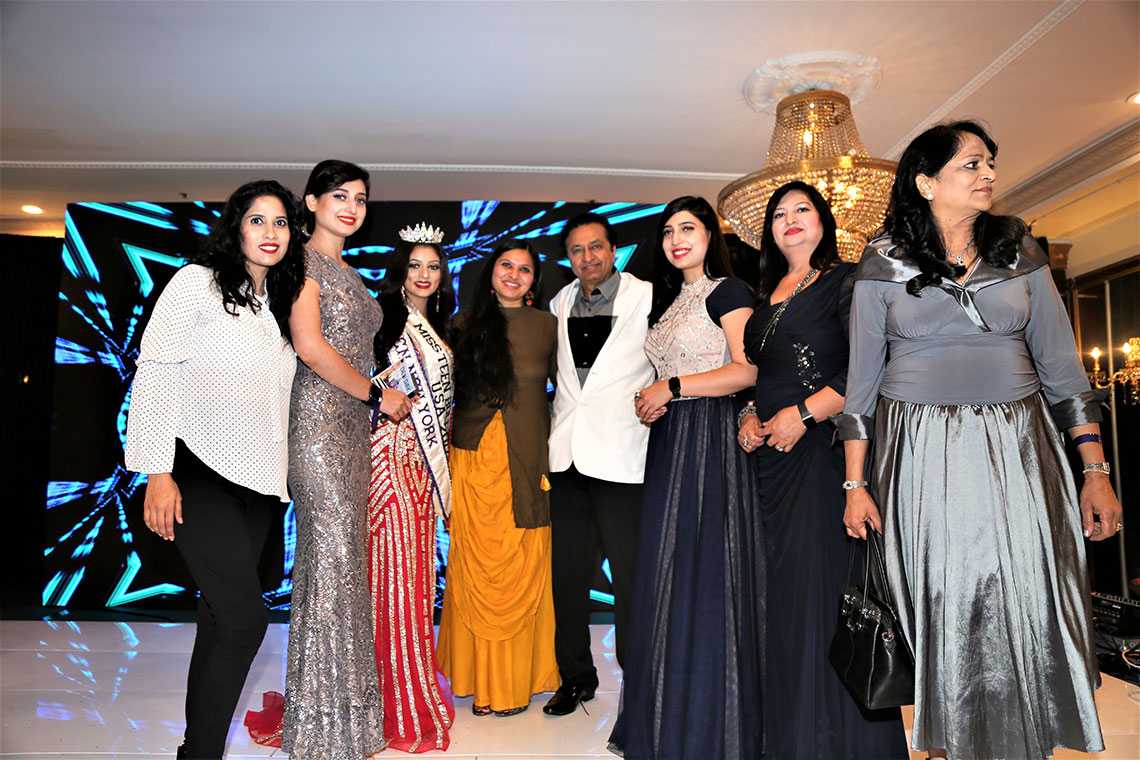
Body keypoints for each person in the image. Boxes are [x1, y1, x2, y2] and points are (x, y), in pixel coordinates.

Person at [837, 121, 1122, 759]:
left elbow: (1064, 373)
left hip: (1021, 449)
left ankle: (1027, 742)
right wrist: (855, 485)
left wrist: (1095, 472)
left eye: (989, 162)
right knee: (945, 600)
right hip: (919, 452)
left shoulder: (1021, 252)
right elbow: (861, 389)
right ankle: (948, 743)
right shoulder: (882, 263)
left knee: (1029, 595)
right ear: (926, 182)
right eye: (971, 164)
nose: (988, 173)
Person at [124, 179, 305, 760]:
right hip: (198, 471)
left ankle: (195, 750)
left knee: (220, 618)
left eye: (280, 222)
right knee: (245, 619)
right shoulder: (194, 283)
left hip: (262, 483)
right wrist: (157, 471)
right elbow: (156, 371)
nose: (270, 232)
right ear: (236, 228)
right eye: (257, 220)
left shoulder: (281, 305)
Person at [738, 181, 908, 758]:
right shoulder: (768, 294)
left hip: (822, 454)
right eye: (779, 214)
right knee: (783, 605)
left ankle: (841, 745)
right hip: (770, 465)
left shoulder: (845, 280)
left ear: (824, 220)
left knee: (823, 602)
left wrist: (805, 414)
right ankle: (792, 739)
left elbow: (869, 365)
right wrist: (749, 413)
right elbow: (765, 372)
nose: (789, 220)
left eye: (802, 210)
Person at [608, 196, 762, 760]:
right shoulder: (671, 300)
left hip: (711, 441)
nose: (676, 239)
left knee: (706, 574)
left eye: (688, 228)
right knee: (668, 573)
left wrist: (671, 388)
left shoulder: (728, 290)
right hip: (671, 441)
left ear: (709, 235)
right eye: (669, 230)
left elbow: (747, 370)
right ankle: (670, 716)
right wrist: (654, 401)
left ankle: (712, 724)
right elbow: (667, 374)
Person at [281, 160, 412, 760]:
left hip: (353, 431)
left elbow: (356, 348)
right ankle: (322, 728)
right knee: (332, 561)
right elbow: (309, 347)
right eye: (339, 195)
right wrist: (376, 395)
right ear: (311, 202)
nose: (352, 207)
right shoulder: (302, 264)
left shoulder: (351, 274)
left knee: (343, 564)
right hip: (316, 427)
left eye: (360, 198)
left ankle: (345, 720)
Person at [438, 240, 560, 716]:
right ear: (491, 273)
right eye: (506, 265)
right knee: (475, 569)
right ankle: (477, 681)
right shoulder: (462, 326)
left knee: (520, 568)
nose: (513, 274)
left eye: (524, 269)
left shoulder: (548, 326)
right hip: (472, 461)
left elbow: (567, 391)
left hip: (524, 462)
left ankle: (513, 685)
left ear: (534, 282)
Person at [544, 212, 654, 716]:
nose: (587, 257)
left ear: (613, 251)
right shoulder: (558, 302)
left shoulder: (647, 297)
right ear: (568, 258)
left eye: (595, 247)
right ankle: (575, 678)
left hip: (623, 456)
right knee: (567, 576)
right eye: (577, 250)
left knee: (630, 579)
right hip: (567, 458)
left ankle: (640, 681)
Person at [367, 222, 456, 752]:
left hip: (424, 463)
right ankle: (390, 697)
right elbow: (362, 380)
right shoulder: (383, 317)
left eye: (433, 266)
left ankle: (408, 681)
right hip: (391, 455)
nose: (424, 274)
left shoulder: (435, 322)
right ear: (400, 270)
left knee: (416, 573)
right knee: (394, 573)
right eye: (415, 265)